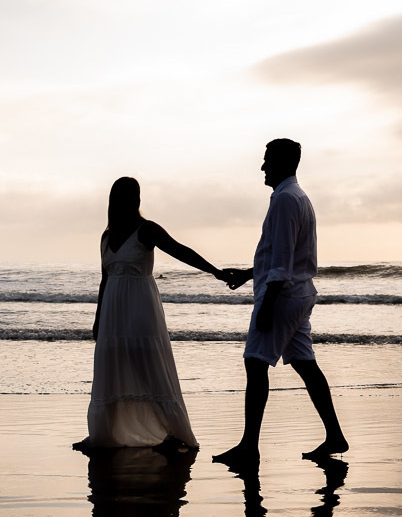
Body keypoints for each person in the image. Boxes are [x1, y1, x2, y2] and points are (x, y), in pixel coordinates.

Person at [213, 139, 347, 468]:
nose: (262, 167)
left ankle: (249, 447)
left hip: (284, 296)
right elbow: (282, 254)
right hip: (298, 293)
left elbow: (283, 261)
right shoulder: (295, 197)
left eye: (267, 161)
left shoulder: (286, 199)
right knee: (304, 363)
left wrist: (268, 304)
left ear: (283, 163)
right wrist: (249, 273)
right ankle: (335, 435)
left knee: (255, 363)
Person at [74, 177, 230, 451]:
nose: (135, 200)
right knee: (110, 365)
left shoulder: (146, 230)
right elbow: (104, 278)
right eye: (130, 195)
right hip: (112, 309)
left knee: (147, 363)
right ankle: (103, 434)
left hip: (139, 305)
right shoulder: (106, 236)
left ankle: (173, 432)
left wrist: (214, 271)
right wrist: (98, 318)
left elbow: (180, 250)